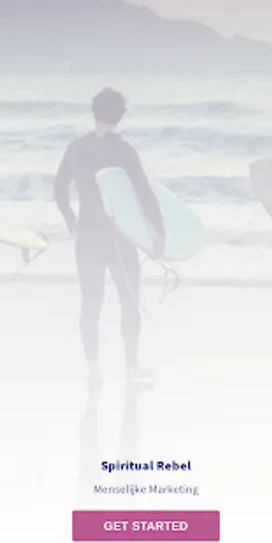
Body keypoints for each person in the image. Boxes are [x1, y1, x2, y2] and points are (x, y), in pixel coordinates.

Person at [54, 88, 165, 383]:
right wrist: (159, 234)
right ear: (121, 116)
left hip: (88, 237)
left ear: (94, 112)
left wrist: (71, 221)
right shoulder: (125, 152)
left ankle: (93, 369)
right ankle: (130, 367)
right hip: (120, 238)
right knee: (129, 300)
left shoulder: (76, 148)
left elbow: (59, 189)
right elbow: (144, 194)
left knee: (91, 302)